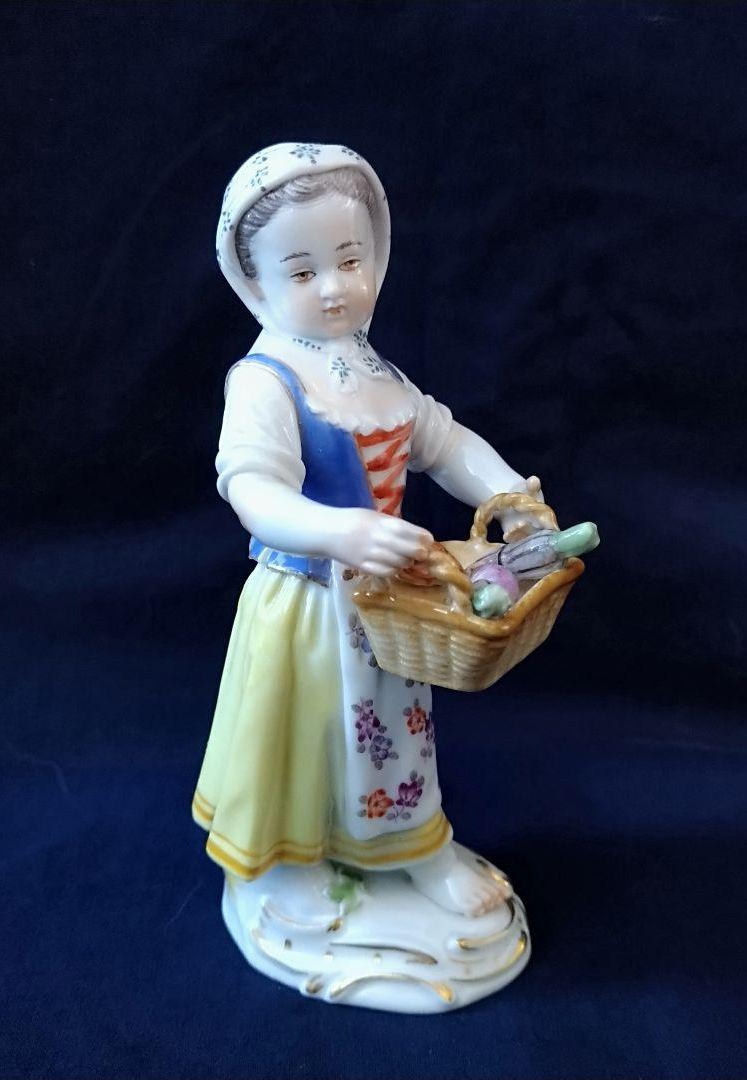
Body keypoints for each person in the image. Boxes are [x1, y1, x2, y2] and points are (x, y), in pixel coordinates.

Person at [193, 143, 543, 919]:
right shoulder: (265, 379)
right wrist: (338, 531)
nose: (333, 288)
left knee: (394, 735)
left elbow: (442, 442)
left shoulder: (373, 370)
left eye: (350, 260)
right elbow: (252, 489)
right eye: (301, 271)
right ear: (254, 283)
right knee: (301, 738)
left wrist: (511, 496)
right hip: (306, 605)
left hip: (387, 604)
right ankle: (285, 863)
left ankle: (414, 849)